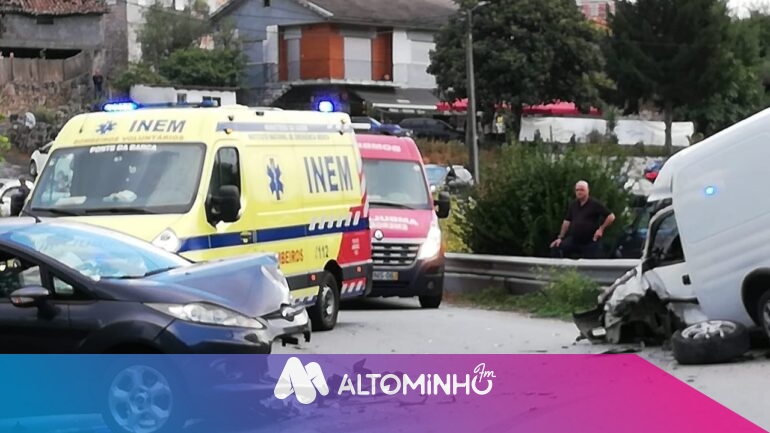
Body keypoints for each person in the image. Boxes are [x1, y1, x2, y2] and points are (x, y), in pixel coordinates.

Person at [550, 180, 615, 259]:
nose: (579, 192)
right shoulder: (573, 205)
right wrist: (560, 238)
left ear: (587, 190)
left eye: (582, 190)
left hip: (590, 241)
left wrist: (601, 229)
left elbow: (611, 216)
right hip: (574, 239)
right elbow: (567, 221)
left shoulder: (594, 204)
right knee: (556, 247)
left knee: (591, 262)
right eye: (577, 190)